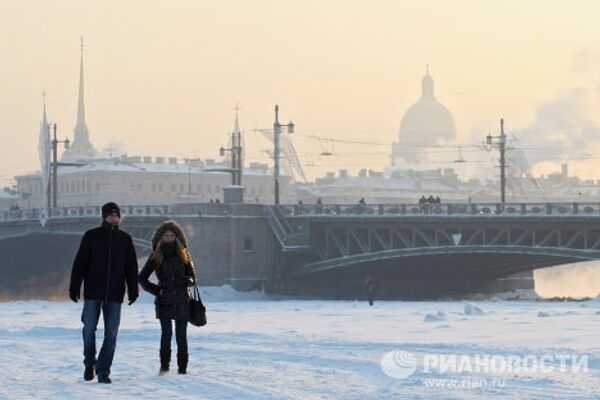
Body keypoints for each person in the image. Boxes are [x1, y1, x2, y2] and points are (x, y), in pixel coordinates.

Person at [69, 202, 139, 384]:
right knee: (89, 329)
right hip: (93, 292)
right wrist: (74, 287)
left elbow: (131, 267)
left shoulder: (125, 239)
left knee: (111, 334)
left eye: (117, 215)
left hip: (115, 294)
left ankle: (103, 371)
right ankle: (89, 362)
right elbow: (80, 263)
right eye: (111, 215)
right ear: (104, 216)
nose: (114, 218)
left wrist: (133, 290)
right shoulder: (92, 236)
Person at [139, 220, 196, 375]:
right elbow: (142, 278)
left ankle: (182, 369)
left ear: (176, 237)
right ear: (161, 237)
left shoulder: (184, 254)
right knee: (166, 334)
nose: (169, 238)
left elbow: (192, 277)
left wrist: (186, 281)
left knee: (181, 336)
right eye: (166, 236)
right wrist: (157, 291)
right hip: (164, 300)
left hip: (182, 300)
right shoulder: (156, 255)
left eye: (172, 235)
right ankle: (164, 367)